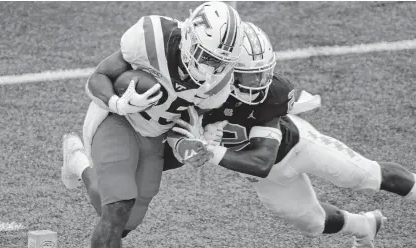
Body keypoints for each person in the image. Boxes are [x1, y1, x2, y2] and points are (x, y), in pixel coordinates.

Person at [170, 22, 416, 248]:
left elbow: (262, 161)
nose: (258, 82)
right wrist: (185, 145)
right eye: (249, 75)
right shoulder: (197, 97)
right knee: (312, 224)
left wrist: (208, 148)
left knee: (363, 175)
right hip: (263, 176)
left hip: (297, 146)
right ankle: (364, 225)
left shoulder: (272, 94)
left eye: (262, 73)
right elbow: (172, 138)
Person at [60, 2, 245, 248]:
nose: (210, 68)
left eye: (219, 62)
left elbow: (185, 120)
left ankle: (78, 162)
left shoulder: (218, 85)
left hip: (154, 135)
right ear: (189, 37)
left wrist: (190, 143)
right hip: (119, 120)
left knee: (126, 222)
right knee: (118, 206)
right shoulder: (154, 39)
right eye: (207, 56)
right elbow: (98, 77)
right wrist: (118, 103)